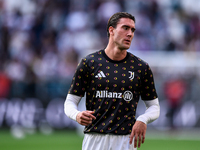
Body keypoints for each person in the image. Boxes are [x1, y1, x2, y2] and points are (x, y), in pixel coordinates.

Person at [64, 12, 160, 150]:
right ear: (111, 30)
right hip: (94, 141)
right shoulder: (89, 63)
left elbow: (154, 107)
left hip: (126, 142)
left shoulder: (141, 67)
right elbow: (70, 102)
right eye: (125, 28)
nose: (130, 34)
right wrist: (76, 114)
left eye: (132, 30)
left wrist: (142, 120)